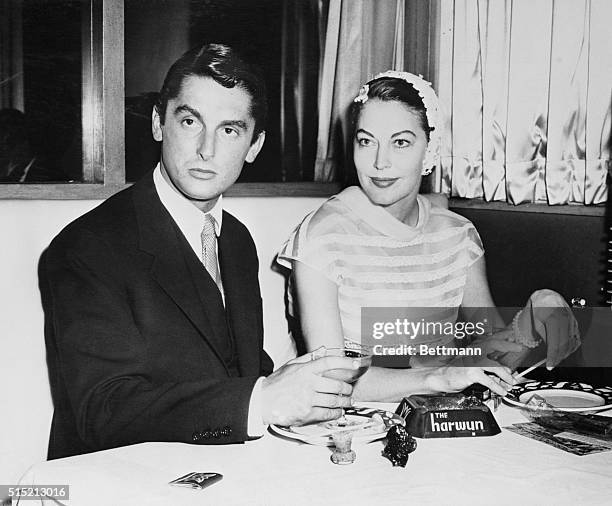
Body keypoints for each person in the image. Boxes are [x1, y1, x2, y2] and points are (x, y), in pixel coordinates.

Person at [39, 43, 357, 460]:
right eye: (190, 121)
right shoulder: (86, 247)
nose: (207, 150)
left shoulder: (237, 238)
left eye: (229, 130)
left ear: (254, 145)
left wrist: (292, 383)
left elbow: (230, 366)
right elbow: (101, 411)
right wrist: (261, 400)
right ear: (158, 123)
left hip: (220, 471)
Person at [277, 71, 580, 402]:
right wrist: (439, 378)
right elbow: (331, 378)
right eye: (366, 141)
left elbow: (491, 354)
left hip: (443, 412)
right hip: (354, 423)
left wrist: (536, 315)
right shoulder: (321, 236)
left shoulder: (458, 235)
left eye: (401, 142)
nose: (380, 162)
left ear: (431, 150)